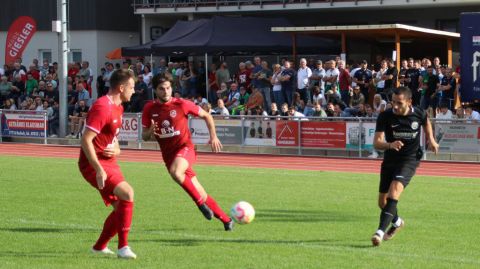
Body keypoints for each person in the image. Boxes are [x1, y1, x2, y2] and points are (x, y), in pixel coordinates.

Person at [142, 74, 234, 231]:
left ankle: (199, 205)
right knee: (200, 191)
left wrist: (213, 137)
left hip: (185, 148)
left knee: (176, 173)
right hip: (169, 155)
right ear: (155, 90)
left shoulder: (181, 104)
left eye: (168, 88)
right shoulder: (149, 108)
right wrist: (150, 129)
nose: (165, 91)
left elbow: (206, 116)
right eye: (161, 89)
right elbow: (144, 137)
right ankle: (226, 220)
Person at [78, 69, 137, 259]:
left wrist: (118, 150)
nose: (134, 91)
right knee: (128, 193)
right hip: (92, 163)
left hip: (109, 161)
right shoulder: (102, 107)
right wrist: (98, 169)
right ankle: (123, 248)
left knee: (121, 207)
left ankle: (99, 247)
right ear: (121, 88)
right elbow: (86, 140)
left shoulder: (118, 107)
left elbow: (114, 139)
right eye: (131, 87)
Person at [371, 86, 439, 247]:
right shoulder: (385, 116)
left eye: (399, 103)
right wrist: (390, 145)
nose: (395, 106)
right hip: (390, 160)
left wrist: (431, 139)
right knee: (382, 202)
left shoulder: (419, 113)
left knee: (394, 191)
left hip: (409, 159)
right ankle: (397, 222)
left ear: (409, 102)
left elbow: (426, 121)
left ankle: (379, 232)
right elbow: (377, 143)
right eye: (393, 102)